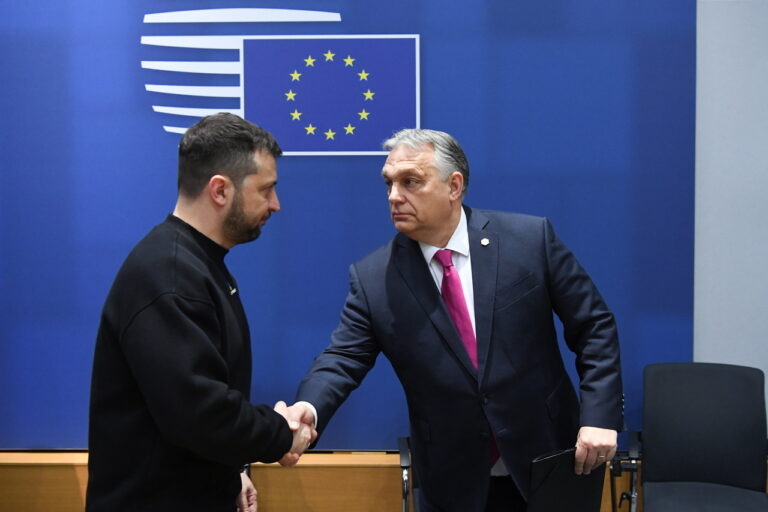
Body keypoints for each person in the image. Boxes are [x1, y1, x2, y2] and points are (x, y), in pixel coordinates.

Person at [288, 129, 623, 511]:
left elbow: (594, 326)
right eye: (389, 183)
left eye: (410, 182)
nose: (394, 195)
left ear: (454, 186)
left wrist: (599, 416)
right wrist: (309, 408)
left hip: (548, 457)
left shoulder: (529, 240)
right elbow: (343, 358)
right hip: (453, 477)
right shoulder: (374, 278)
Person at [86, 113, 315, 512]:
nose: (275, 205)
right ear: (220, 190)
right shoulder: (169, 275)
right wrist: (282, 433)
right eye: (266, 189)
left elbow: (186, 411)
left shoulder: (197, 265)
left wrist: (229, 474)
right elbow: (200, 415)